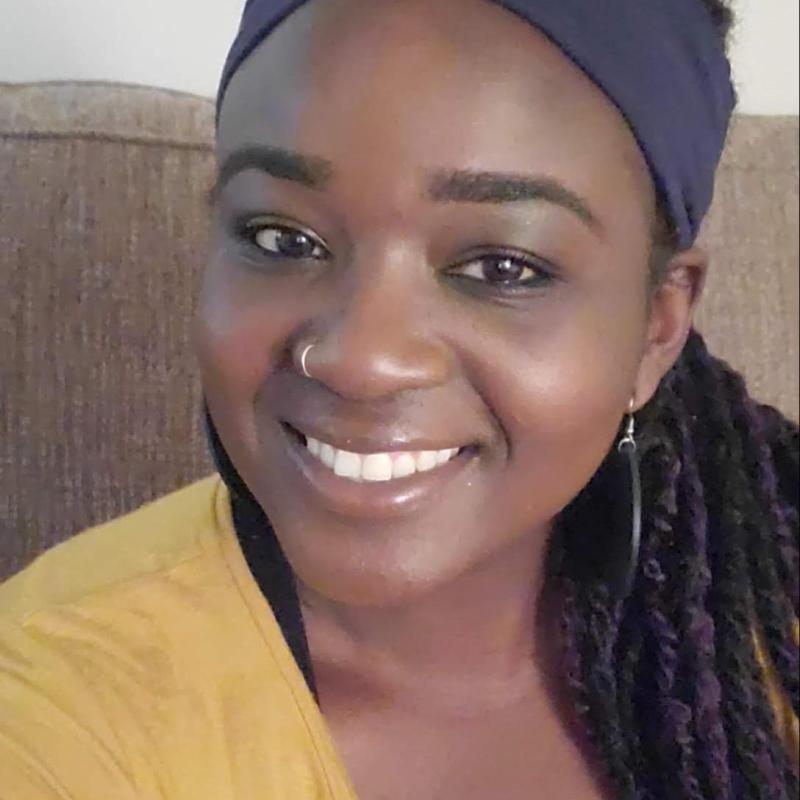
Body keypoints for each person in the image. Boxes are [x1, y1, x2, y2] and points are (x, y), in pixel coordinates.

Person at [1, 0, 797, 798]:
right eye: (283, 239)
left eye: (501, 268)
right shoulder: (52, 707)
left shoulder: (770, 609)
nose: (361, 361)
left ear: (656, 326)